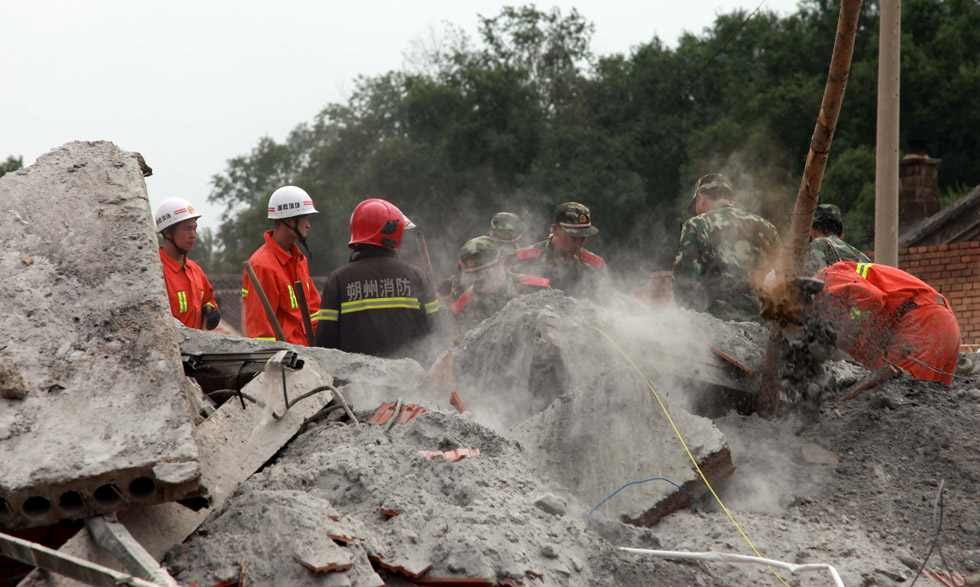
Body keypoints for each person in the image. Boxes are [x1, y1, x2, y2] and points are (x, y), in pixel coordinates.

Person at [315, 198, 443, 358]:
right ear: (393, 233)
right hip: (412, 378)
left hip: (355, 380)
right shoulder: (416, 275)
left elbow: (324, 342)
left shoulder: (338, 279)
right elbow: (437, 330)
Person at [815, 261, 961, 385]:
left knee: (898, 394)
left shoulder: (823, 280)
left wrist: (842, 334)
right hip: (938, 322)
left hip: (922, 321)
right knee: (929, 404)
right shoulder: (835, 305)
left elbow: (872, 298)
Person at [672, 173, 779, 321]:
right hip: (762, 324)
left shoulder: (695, 225)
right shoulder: (767, 227)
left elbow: (685, 282)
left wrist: (692, 325)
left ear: (700, 198)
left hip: (718, 325)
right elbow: (780, 276)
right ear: (732, 201)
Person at [242, 185, 321, 345]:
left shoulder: (299, 260)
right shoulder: (262, 265)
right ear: (289, 220)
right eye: (305, 218)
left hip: (306, 356)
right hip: (284, 361)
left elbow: (314, 310)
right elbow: (260, 329)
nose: (308, 225)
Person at [449, 236, 549, 340]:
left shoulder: (534, 289)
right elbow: (460, 350)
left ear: (501, 261)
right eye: (473, 277)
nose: (478, 282)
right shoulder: (462, 308)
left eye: (484, 275)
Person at [513, 202, 606, 298]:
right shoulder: (525, 260)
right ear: (556, 230)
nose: (578, 244)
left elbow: (607, 300)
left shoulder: (593, 266)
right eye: (573, 237)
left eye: (583, 238)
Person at [154, 197, 220, 330]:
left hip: (196, 349)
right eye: (187, 229)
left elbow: (209, 299)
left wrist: (211, 309)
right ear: (168, 233)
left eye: (194, 229)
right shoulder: (156, 271)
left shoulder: (195, 270)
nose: (193, 235)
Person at [803, 204, 870, 275]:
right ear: (841, 236)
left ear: (813, 233)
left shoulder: (819, 244)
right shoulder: (864, 258)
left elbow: (816, 282)